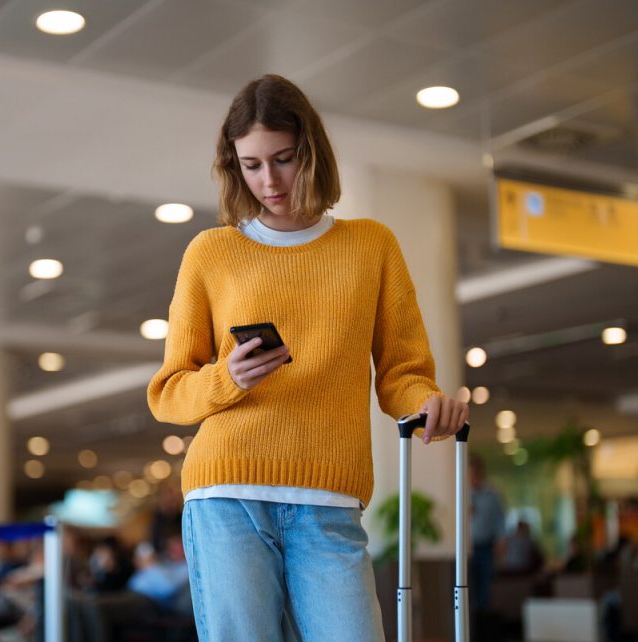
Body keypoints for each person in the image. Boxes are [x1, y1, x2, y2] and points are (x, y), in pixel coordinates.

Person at [146, 74, 468, 642]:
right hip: (227, 495)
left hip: (328, 502)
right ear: (233, 166)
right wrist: (228, 378)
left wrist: (428, 407)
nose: (268, 180)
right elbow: (169, 392)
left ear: (311, 151)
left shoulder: (371, 246)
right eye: (250, 164)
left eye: (284, 158)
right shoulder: (211, 252)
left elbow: (402, 372)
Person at [468, 453, 504, 613]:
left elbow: (500, 519)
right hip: (466, 549)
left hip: (486, 547)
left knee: (485, 588)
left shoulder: (492, 495)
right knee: (468, 587)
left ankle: (484, 623)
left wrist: (501, 540)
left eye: (475, 473)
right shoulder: (461, 494)